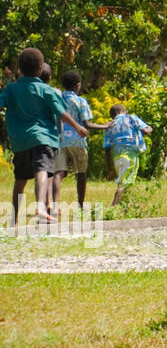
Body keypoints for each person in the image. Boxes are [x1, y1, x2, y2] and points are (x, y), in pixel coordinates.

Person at [1, 48, 86, 225]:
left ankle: (14, 220)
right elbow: (61, 112)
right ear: (40, 69)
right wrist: (77, 126)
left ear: (19, 67)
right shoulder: (46, 90)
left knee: (20, 179)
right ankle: (40, 205)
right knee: (43, 170)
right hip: (43, 138)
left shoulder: (11, 89)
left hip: (21, 141)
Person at [57, 70, 105, 214]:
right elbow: (87, 124)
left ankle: (53, 202)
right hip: (78, 141)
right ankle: (80, 204)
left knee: (59, 172)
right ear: (78, 85)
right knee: (81, 173)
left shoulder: (57, 99)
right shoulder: (80, 101)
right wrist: (105, 126)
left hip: (60, 140)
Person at [103, 104, 152, 208]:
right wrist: (150, 128)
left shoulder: (109, 125)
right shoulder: (131, 118)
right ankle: (113, 209)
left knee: (125, 183)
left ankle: (125, 208)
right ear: (125, 111)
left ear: (112, 116)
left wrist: (109, 169)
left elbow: (106, 148)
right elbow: (146, 130)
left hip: (116, 157)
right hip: (130, 156)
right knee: (124, 184)